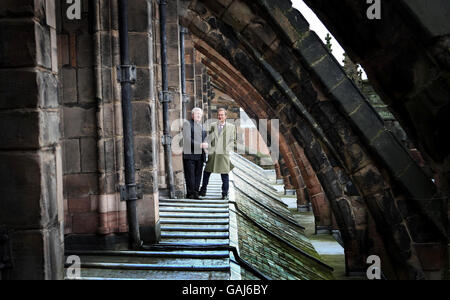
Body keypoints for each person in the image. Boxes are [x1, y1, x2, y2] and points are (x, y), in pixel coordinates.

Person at [199, 108, 237, 200]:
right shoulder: (212, 126)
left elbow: (233, 141)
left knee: (224, 174)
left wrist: (227, 149)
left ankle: (224, 194)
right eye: (219, 115)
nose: (220, 116)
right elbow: (210, 139)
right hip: (213, 154)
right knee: (207, 172)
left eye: (222, 115)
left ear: (226, 116)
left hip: (223, 154)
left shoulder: (231, 127)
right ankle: (203, 191)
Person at [183, 108, 208, 199]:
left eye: (200, 114)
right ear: (192, 115)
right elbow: (187, 139)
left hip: (200, 156)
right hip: (190, 155)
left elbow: (205, 138)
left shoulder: (202, 126)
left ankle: (196, 193)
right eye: (197, 114)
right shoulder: (187, 124)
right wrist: (200, 145)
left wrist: (206, 143)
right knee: (190, 176)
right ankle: (190, 194)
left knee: (198, 175)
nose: (198, 116)